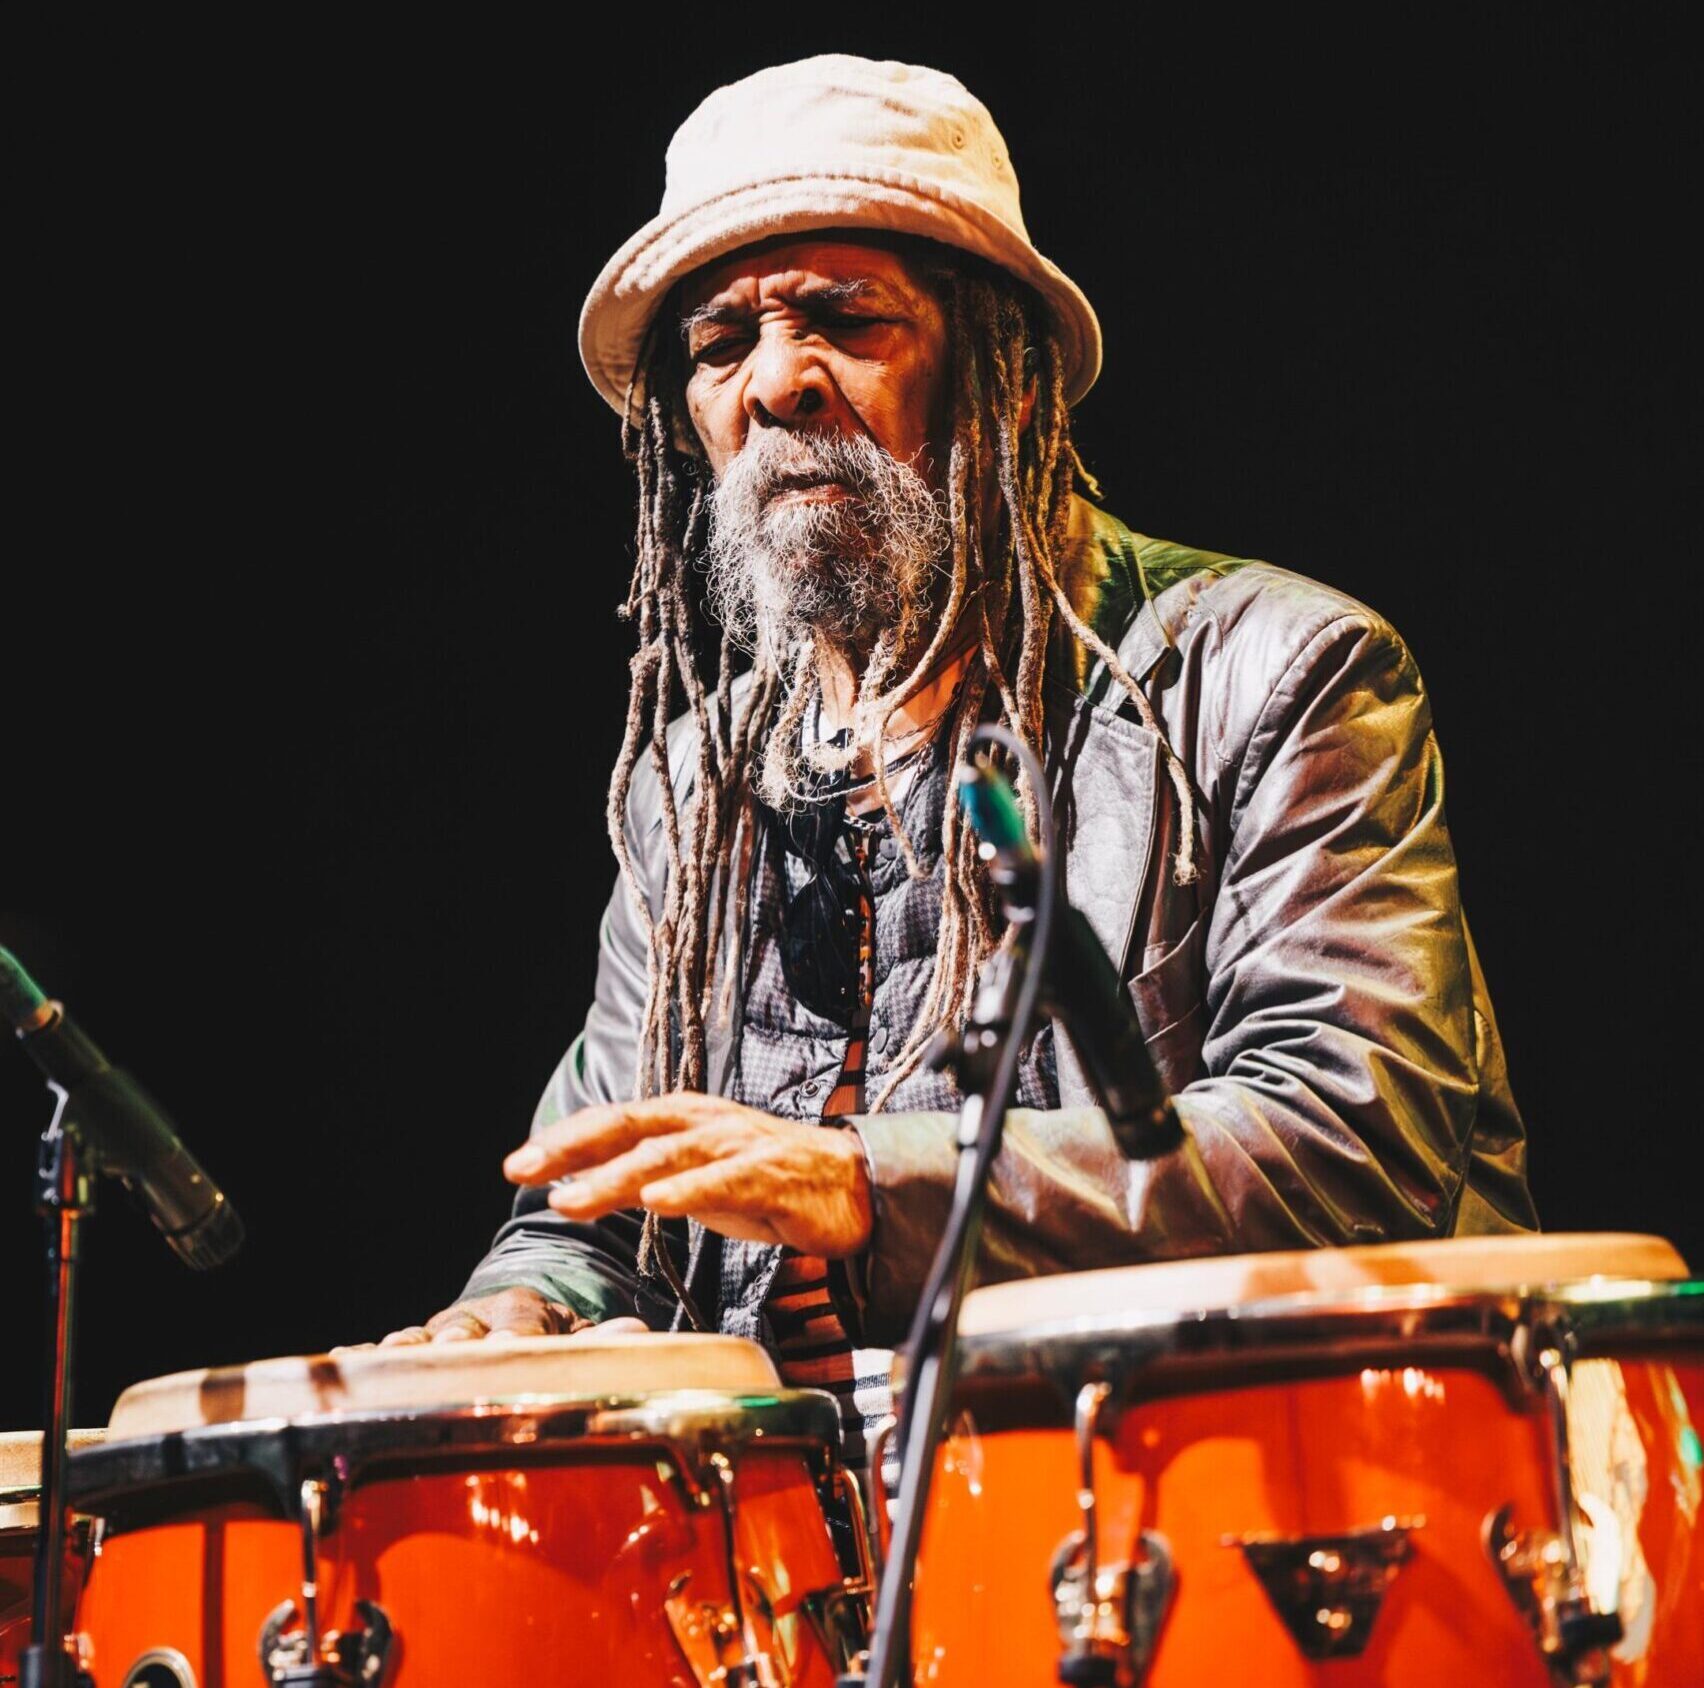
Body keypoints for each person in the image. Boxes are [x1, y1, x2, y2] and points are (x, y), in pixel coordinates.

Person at [382, 56, 1537, 1462]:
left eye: (842, 318)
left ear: (998, 358)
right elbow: (600, 1211)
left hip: (1235, 1514)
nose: (776, 384)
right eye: (721, 343)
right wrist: (523, 1312)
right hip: (819, 1576)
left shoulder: (1274, 672)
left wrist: (867, 1184)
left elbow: (1356, 1144)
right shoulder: (693, 787)